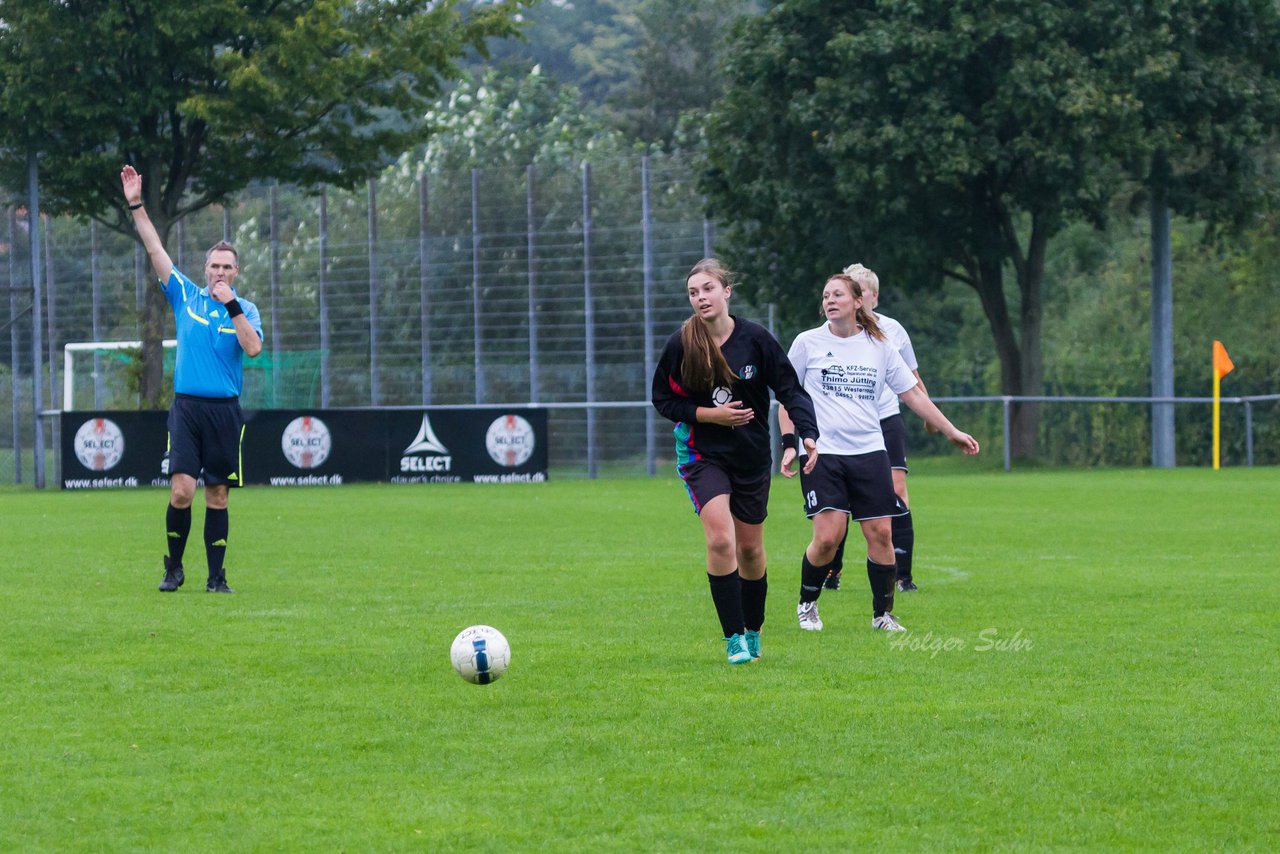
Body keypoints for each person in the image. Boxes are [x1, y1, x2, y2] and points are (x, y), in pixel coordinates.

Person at [778, 272, 978, 632]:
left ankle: (882, 615)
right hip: (822, 453)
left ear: (857, 302)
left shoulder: (880, 345)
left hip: (870, 451)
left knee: (881, 535)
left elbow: (913, 393)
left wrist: (951, 431)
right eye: (825, 296)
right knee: (827, 538)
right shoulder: (807, 343)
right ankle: (807, 603)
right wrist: (790, 442)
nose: (829, 301)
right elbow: (787, 398)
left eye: (837, 294)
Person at [652, 258, 820, 664]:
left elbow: (790, 390)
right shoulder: (682, 343)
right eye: (693, 292)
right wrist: (711, 416)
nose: (700, 298)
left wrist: (807, 433)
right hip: (701, 454)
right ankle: (732, 640)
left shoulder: (756, 339)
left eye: (707, 288)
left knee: (749, 551)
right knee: (721, 539)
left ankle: (752, 629)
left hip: (749, 457)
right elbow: (664, 399)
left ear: (726, 291)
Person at [121, 165, 264, 593]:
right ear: (205, 269)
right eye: (214, 266)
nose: (220, 273)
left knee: (217, 495)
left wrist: (233, 306)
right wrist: (136, 203)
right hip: (187, 409)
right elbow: (154, 247)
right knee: (181, 490)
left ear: (236, 272)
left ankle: (217, 578)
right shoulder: (185, 295)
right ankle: (173, 567)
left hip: (224, 411)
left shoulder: (246, 309)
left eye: (227, 267)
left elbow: (253, 348)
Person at [822, 263, 929, 593]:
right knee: (841, 501)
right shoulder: (829, 332)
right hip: (845, 426)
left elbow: (910, 378)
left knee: (896, 491)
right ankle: (832, 569)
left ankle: (903, 574)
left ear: (871, 296)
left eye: (859, 289)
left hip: (885, 418)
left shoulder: (892, 331)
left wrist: (930, 412)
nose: (852, 295)